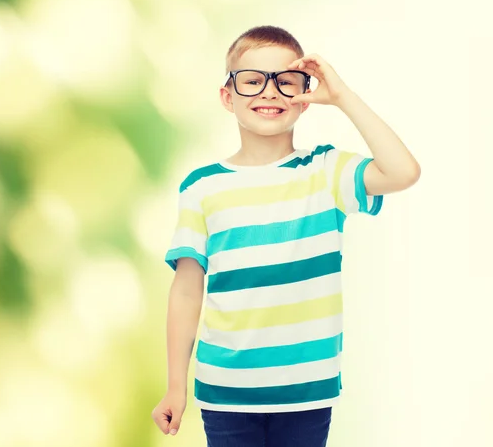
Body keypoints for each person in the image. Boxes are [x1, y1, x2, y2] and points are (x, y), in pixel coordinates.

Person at [151, 25, 420, 447]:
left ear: (306, 97)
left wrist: (343, 96)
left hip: (307, 390)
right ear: (228, 96)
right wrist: (175, 386)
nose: (269, 92)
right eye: (253, 81)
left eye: (286, 82)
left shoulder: (327, 171)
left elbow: (403, 171)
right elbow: (186, 291)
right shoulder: (201, 187)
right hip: (227, 391)